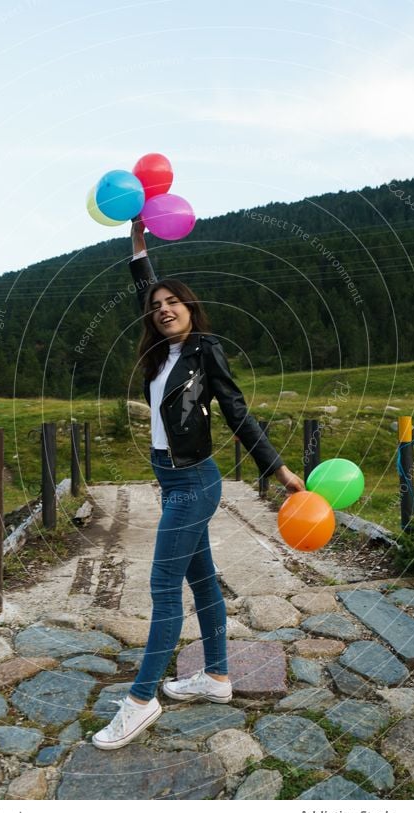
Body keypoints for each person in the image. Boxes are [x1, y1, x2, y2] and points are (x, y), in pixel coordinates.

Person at [92, 220, 305, 750]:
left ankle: (140, 702)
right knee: (203, 581)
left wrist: (278, 470)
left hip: (195, 484)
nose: (164, 307)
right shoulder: (159, 354)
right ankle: (215, 677)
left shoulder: (205, 350)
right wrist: (139, 239)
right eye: (159, 303)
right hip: (171, 478)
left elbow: (236, 412)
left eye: (175, 303)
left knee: (164, 589)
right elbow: (145, 283)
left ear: (191, 309)